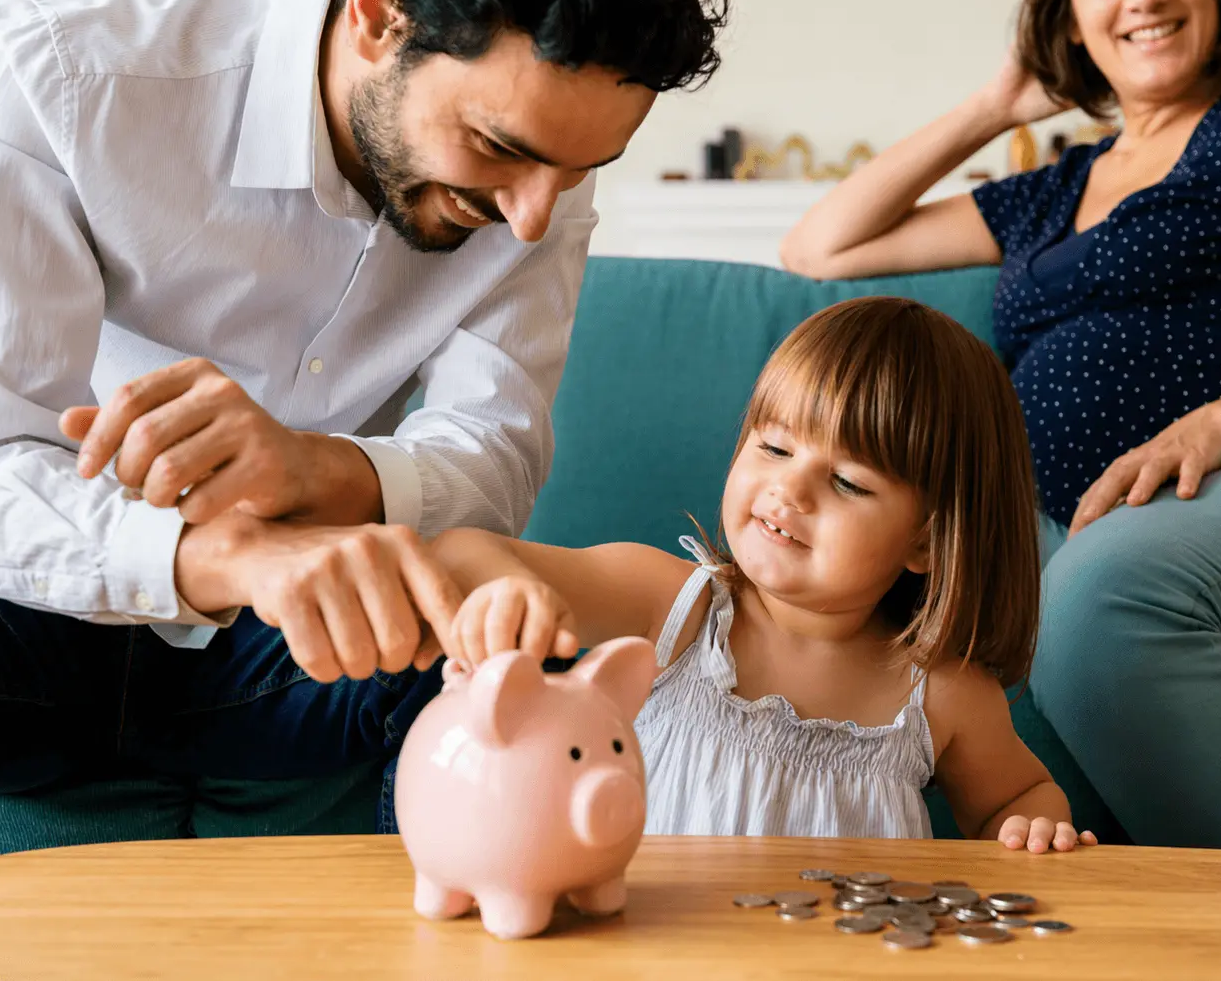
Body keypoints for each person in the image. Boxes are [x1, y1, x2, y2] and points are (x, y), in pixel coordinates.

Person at [0, 0, 726, 801]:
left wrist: (320, 470)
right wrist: (225, 553)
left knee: (514, 670)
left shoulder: (541, 170)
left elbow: (494, 458)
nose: (530, 219)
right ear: (378, 16)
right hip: (25, 620)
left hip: (298, 650)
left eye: (576, 175)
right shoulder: (62, 64)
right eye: (496, 147)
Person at [780, 0, 1221, 854]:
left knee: (1098, 604)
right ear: (1070, 17)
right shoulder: (1053, 189)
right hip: (1067, 510)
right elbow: (820, 248)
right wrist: (995, 105)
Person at [426, 297, 1099, 851]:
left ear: (926, 541)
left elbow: (1018, 798)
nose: (789, 488)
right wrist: (508, 593)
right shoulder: (672, 606)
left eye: (846, 482)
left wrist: (1033, 828)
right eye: (773, 446)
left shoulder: (941, 691)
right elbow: (463, 554)